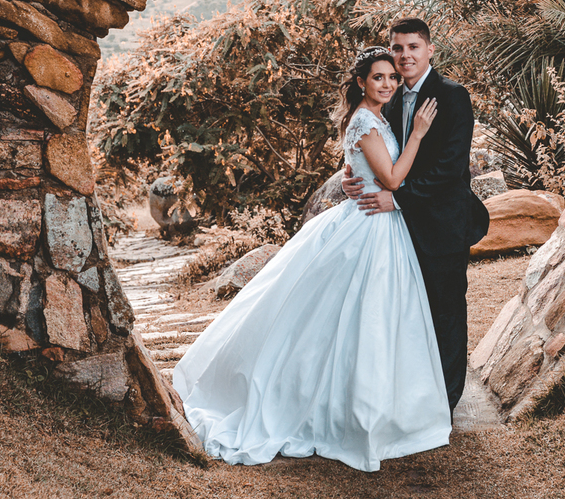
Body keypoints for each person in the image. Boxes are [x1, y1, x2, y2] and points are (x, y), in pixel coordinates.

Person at [172, 46, 452, 472]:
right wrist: (417, 134)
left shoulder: (372, 118)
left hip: (375, 222)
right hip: (369, 226)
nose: (388, 84)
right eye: (379, 77)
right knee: (354, 319)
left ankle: (378, 406)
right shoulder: (366, 120)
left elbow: (358, 165)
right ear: (361, 82)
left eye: (392, 78)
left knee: (372, 320)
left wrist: (351, 172)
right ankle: (342, 413)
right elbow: (393, 178)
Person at [342, 18, 490, 413]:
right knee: (406, 312)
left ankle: (445, 402)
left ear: (429, 50)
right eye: (398, 48)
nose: (404, 55)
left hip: (440, 223)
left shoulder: (452, 96)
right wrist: (351, 177)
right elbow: (372, 152)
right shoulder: (386, 95)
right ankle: (410, 393)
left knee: (446, 311)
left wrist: (399, 198)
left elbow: (450, 167)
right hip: (394, 232)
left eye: (413, 47)